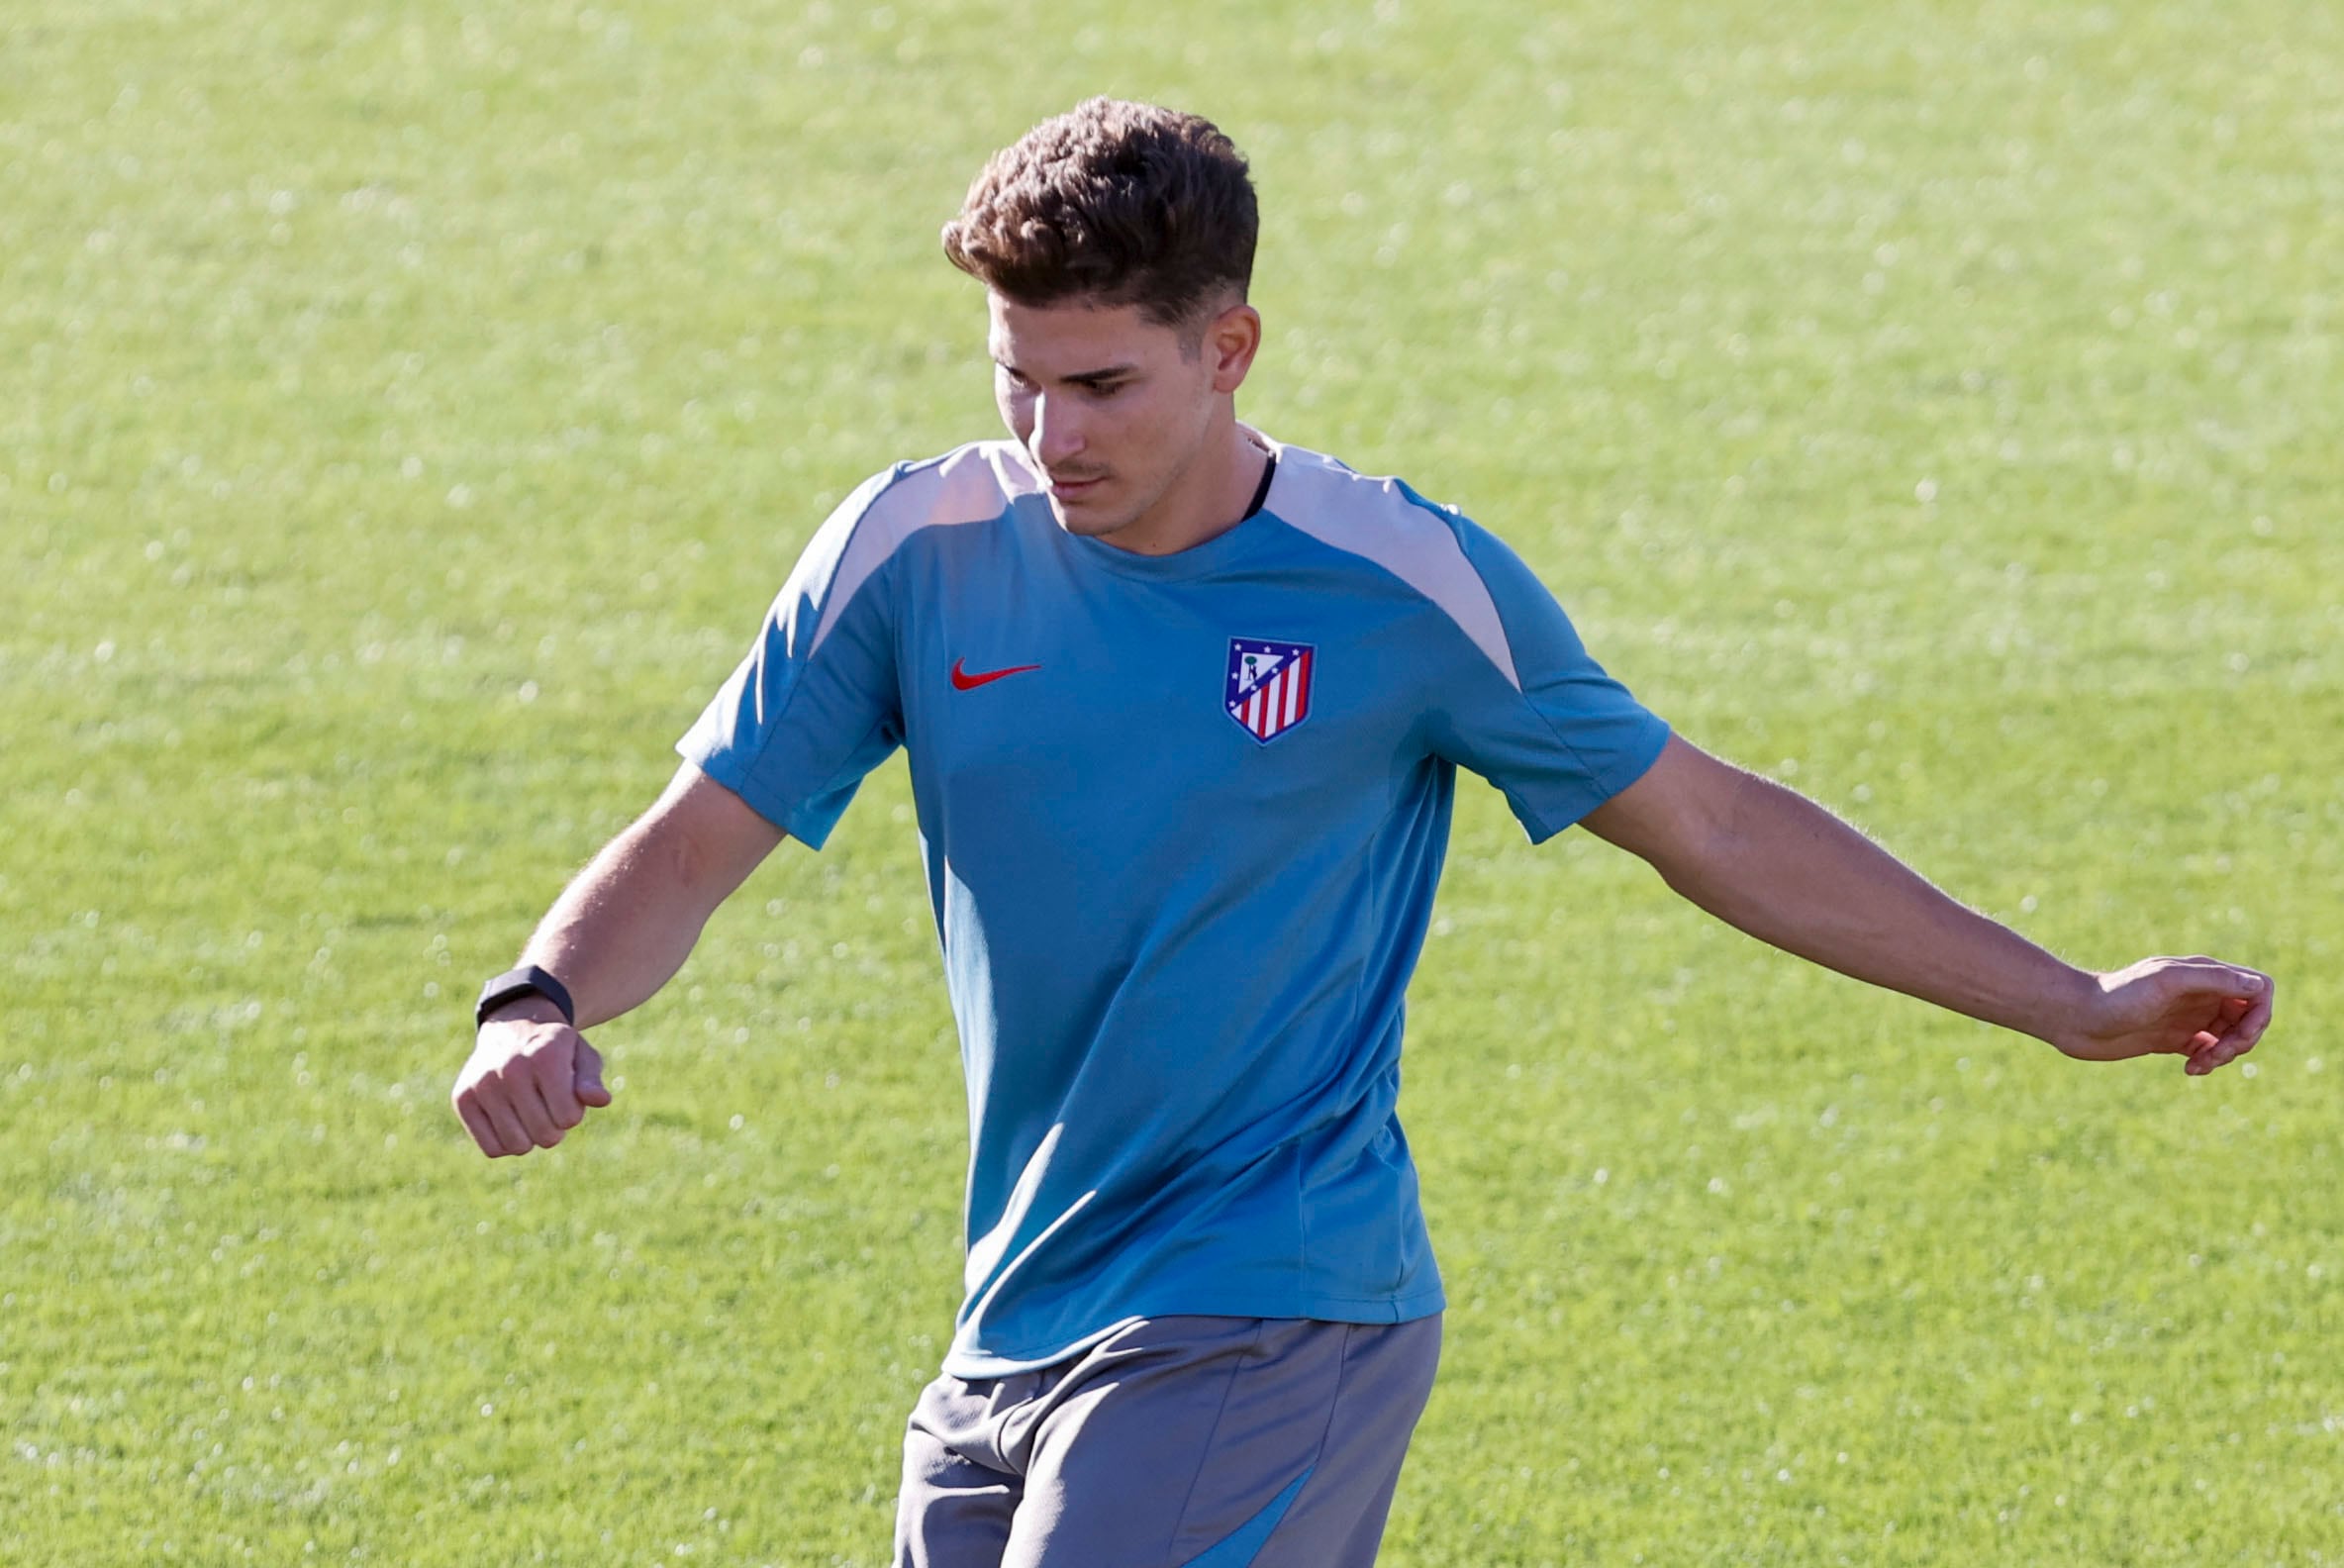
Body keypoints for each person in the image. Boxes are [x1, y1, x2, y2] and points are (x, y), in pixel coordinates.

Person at [451, 98, 2276, 1568]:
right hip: (1010, 1320)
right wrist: (540, 997)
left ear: (1230, 346)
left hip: (1271, 1305)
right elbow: (698, 839)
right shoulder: (911, 549)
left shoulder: (1398, 587)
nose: (1045, 432)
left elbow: (1710, 821)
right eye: (1015, 375)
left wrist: (2070, 1003)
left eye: (1103, 386)